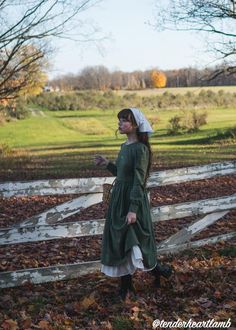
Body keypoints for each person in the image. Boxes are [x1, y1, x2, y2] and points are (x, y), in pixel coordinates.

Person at [94, 108, 172, 301]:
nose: (120, 124)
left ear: (136, 125)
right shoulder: (124, 147)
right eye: (119, 120)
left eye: (124, 121)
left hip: (132, 201)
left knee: (137, 243)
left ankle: (159, 271)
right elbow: (122, 174)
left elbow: (139, 181)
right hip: (119, 200)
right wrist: (108, 164)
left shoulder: (141, 149)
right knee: (122, 243)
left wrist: (133, 209)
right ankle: (127, 288)